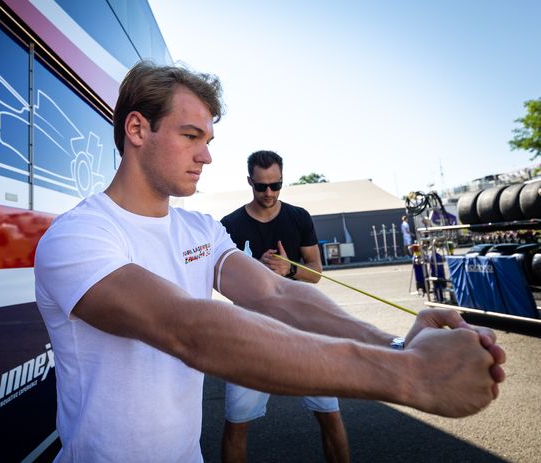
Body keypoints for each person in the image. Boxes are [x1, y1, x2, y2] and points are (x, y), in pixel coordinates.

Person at [34, 61, 505, 463]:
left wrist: (397, 344)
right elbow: (187, 329)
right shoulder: (78, 235)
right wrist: (410, 376)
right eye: (191, 135)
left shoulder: (198, 229)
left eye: (209, 138)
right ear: (137, 129)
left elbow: (274, 293)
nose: (207, 155)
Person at [220, 150, 349, 463]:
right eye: (261, 186)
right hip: (250, 331)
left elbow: (315, 272)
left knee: (330, 415)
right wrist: (255, 270)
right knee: (236, 424)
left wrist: (288, 269)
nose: (268, 193)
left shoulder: (299, 216)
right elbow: (223, 281)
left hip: (302, 327)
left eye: (275, 186)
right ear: (249, 181)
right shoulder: (229, 224)